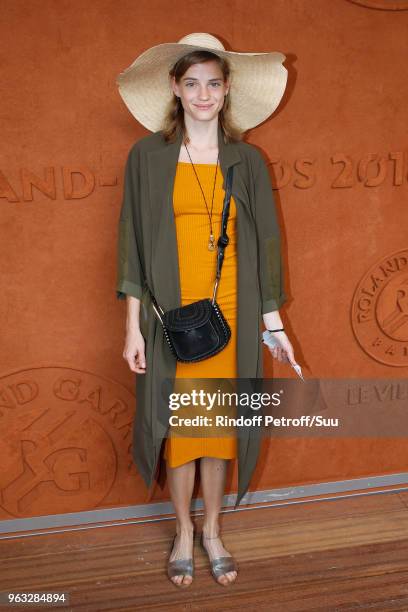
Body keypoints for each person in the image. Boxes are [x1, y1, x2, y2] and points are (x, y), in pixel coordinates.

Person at [115, 33, 296, 588]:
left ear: (226, 90)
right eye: (191, 83)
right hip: (170, 318)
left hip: (233, 317)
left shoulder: (247, 159)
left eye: (213, 83)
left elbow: (265, 244)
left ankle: (213, 529)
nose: (202, 94)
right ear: (175, 88)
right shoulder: (146, 156)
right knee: (181, 428)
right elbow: (132, 246)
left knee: (217, 430)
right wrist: (132, 328)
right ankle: (183, 533)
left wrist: (273, 326)